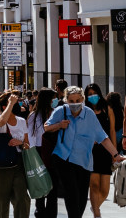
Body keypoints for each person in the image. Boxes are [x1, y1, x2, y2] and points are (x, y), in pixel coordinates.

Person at [41, 85, 123, 218]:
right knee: (71, 193)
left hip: (83, 161)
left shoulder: (89, 114)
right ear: (66, 100)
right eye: (71, 101)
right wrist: (59, 125)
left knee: (82, 196)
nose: (75, 104)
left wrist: (116, 155)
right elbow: (46, 127)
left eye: (78, 100)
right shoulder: (60, 111)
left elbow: (102, 137)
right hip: (63, 158)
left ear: (83, 100)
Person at [0, 91, 30, 218]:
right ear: (6, 106)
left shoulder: (21, 121)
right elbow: (1, 122)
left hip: (18, 164)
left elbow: (27, 145)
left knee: (22, 199)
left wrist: (21, 142)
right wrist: (11, 103)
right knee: (0, 202)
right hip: (2, 167)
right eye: (14, 103)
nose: (18, 105)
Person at [83, 84, 115, 218]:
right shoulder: (84, 110)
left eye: (94, 93)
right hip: (91, 151)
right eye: (89, 94)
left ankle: (94, 207)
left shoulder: (107, 109)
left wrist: (114, 152)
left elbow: (112, 130)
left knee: (105, 190)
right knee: (94, 185)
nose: (92, 96)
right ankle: (97, 214)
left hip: (106, 150)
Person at [29, 88, 60, 218]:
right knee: (41, 182)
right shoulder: (34, 115)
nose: (55, 101)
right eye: (53, 98)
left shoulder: (56, 113)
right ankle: (39, 211)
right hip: (39, 151)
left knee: (54, 185)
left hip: (54, 151)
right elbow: (30, 135)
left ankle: (51, 213)